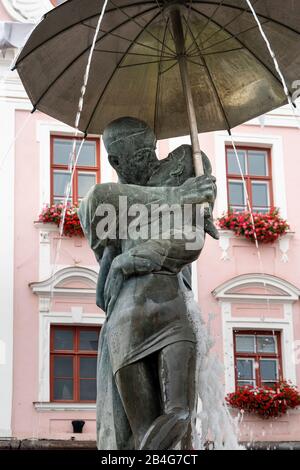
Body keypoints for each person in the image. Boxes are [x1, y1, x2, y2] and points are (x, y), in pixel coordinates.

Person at [79, 117, 218, 450]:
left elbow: (192, 238)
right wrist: (177, 195)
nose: (151, 160)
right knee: (136, 431)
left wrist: (203, 201)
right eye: (140, 156)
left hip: (172, 305)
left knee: (181, 422)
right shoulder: (105, 202)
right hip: (127, 315)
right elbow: (100, 199)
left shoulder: (186, 161)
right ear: (116, 161)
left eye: (151, 150)